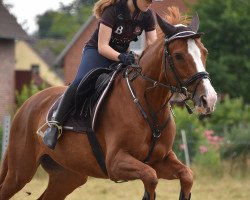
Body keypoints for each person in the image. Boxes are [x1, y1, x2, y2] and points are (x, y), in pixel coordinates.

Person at [43, 0, 157, 149]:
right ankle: (54, 124)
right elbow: (102, 46)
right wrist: (122, 57)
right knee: (79, 82)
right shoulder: (112, 11)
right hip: (97, 52)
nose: (151, 2)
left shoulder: (147, 15)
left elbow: (153, 44)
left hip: (122, 55)